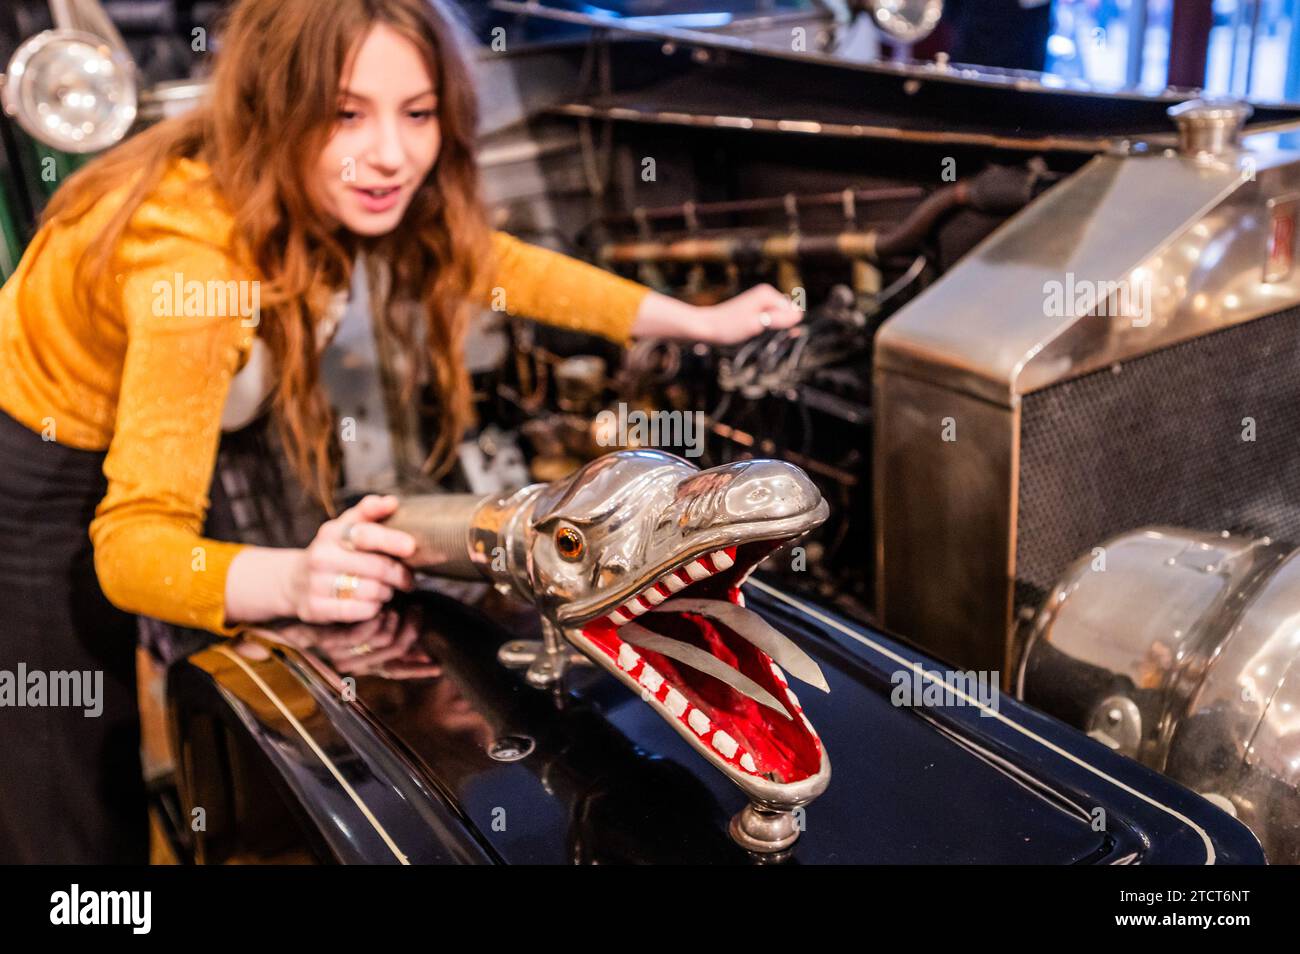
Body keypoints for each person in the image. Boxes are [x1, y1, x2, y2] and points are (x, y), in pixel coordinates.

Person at [0, 0, 801, 863]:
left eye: (416, 112)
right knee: (74, 771)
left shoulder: (299, 172)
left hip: (162, 398)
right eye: (346, 113)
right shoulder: (192, 271)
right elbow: (131, 549)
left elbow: (494, 263)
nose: (390, 154)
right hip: (40, 459)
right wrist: (300, 578)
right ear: (277, 104)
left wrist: (690, 320)